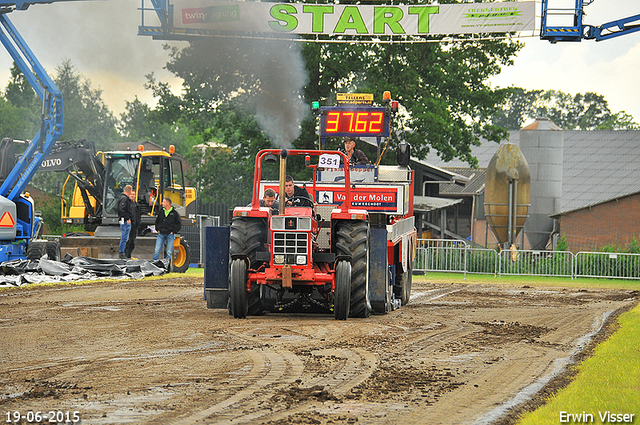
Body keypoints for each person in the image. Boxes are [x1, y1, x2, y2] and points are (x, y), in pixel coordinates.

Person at [153, 197, 182, 264]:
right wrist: (158, 229)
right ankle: (154, 265)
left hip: (170, 234)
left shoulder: (175, 213)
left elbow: (179, 224)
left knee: (169, 252)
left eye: (163, 202)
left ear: (168, 203)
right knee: (157, 250)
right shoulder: (161, 212)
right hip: (161, 234)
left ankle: (167, 266)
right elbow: (157, 221)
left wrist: (173, 232)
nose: (162, 203)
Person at [117, 185, 134, 259]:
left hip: (122, 220)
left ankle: (122, 252)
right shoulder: (125, 199)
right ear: (130, 191)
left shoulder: (121, 197)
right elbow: (121, 210)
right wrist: (127, 218)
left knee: (124, 236)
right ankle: (121, 253)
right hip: (125, 221)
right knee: (124, 237)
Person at [124, 190, 141, 259]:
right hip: (127, 224)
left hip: (134, 225)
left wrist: (138, 224)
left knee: (132, 240)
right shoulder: (126, 205)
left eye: (133, 194)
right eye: (131, 194)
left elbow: (138, 215)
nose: (132, 195)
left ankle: (128, 254)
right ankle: (125, 254)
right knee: (126, 240)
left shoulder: (137, 205)